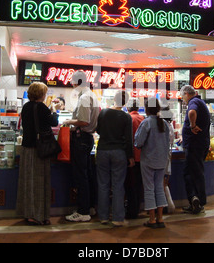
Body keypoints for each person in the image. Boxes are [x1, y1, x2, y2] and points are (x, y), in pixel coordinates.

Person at [16, 81, 63, 225]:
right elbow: (54, 122)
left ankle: (28, 213)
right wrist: (55, 110)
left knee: (27, 181)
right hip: (39, 150)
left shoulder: (26, 107)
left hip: (27, 148)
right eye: (45, 92)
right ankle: (38, 215)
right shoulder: (42, 107)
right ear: (40, 94)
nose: (45, 95)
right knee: (39, 182)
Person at [63, 70, 100, 222]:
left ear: (76, 83)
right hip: (87, 139)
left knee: (81, 176)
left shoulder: (85, 97)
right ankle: (90, 207)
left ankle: (83, 211)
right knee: (88, 175)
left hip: (81, 138)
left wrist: (68, 122)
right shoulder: (91, 96)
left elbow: (84, 122)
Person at [96, 90, 134, 226]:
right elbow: (129, 139)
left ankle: (103, 217)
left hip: (102, 151)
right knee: (118, 185)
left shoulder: (103, 112)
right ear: (125, 102)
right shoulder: (126, 117)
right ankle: (117, 218)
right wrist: (130, 156)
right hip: (119, 152)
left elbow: (98, 130)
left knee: (103, 184)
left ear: (114, 99)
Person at [134, 97, 170, 228]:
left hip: (148, 160)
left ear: (147, 109)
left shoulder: (146, 123)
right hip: (161, 161)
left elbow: (138, 142)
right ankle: (160, 218)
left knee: (149, 189)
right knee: (159, 188)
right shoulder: (164, 124)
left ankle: (152, 219)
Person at [180, 85, 210, 215]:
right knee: (196, 172)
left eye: (182, 97)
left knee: (191, 173)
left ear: (187, 94)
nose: (183, 100)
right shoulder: (200, 102)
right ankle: (195, 200)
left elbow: (192, 112)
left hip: (194, 145)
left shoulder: (194, 102)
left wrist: (192, 126)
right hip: (200, 143)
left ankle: (197, 200)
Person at [124, 98, 144, 219]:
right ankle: (137, 208)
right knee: (138, 185)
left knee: (130, 185)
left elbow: (127, 139)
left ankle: (131, 211)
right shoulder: (143, 119)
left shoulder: (128, 119)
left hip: (132, 157)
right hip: (143, 157)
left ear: (128, 108)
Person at [160, 104, 175, 214]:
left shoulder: (161, 125)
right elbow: (171, 140)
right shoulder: (170, 125)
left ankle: (165, 206)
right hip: (168, 155)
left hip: (159, 156)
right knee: (165, 181)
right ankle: (168, 205)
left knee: (160, 182)